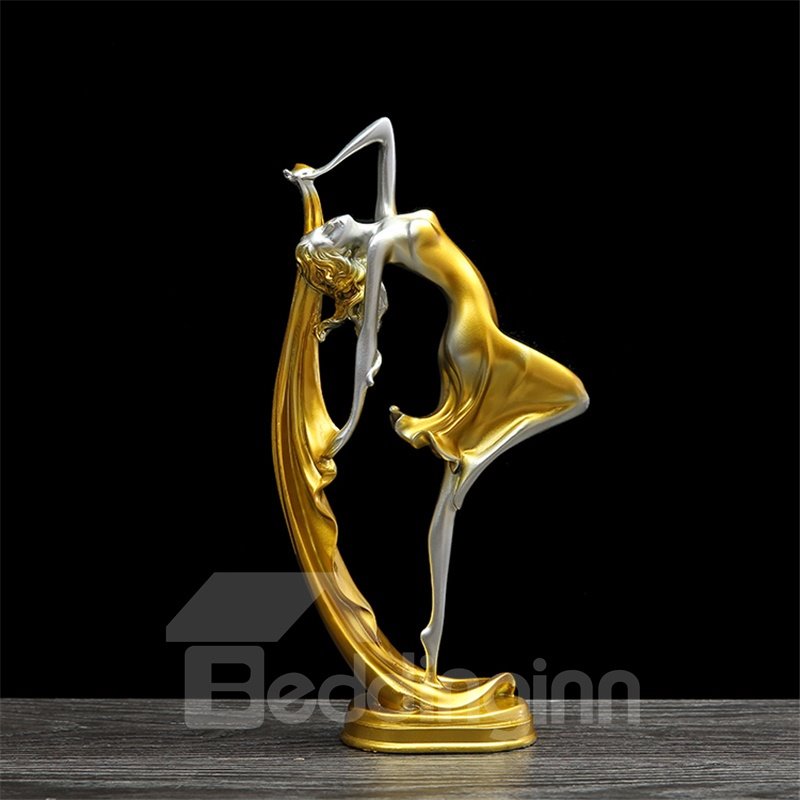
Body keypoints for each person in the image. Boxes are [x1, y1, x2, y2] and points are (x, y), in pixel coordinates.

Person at [286, 118, 589, 685]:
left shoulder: (386, 215)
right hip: (473, 339)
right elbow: (368, 344)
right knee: (573, 394)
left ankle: (433, 633)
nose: (333, 224)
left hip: (476, 337)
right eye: (327, 235)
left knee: (457, 488)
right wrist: (350, 419)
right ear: (343, 252)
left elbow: (384, 131)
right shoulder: (380, 244)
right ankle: (475, 459)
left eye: (325, 226)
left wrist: (319, 175)